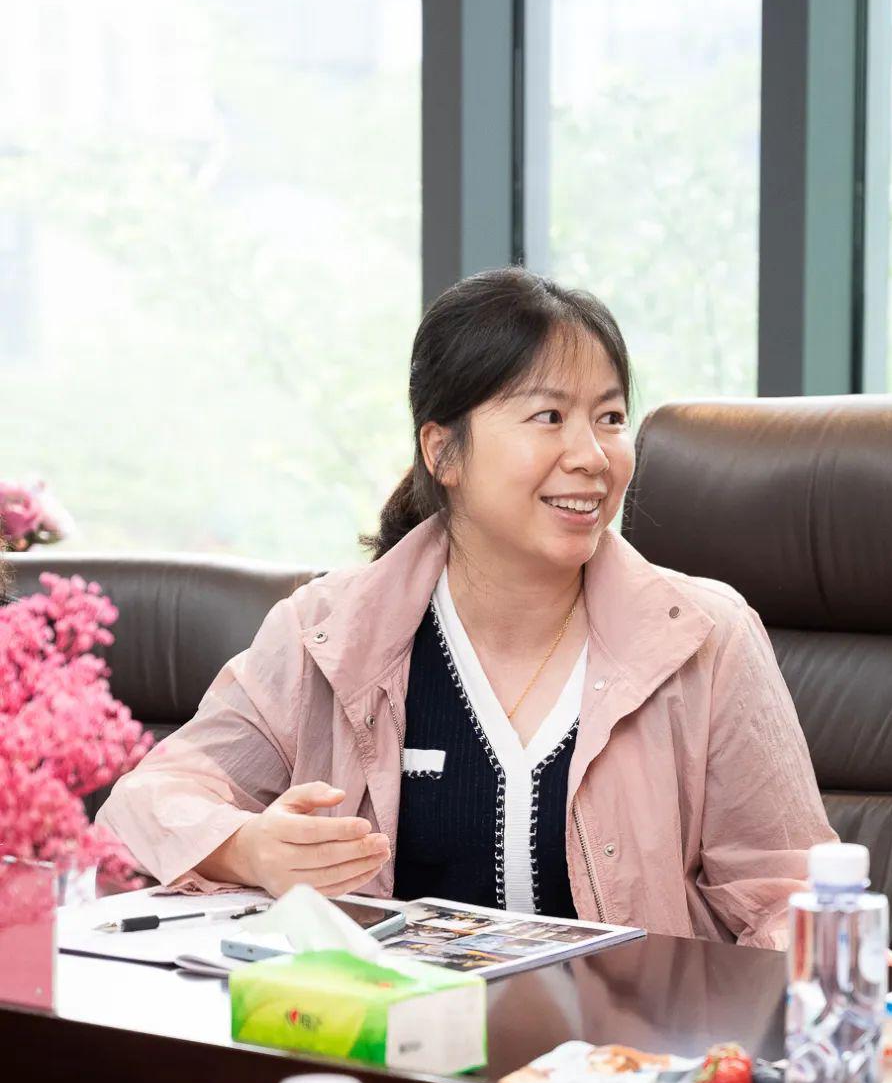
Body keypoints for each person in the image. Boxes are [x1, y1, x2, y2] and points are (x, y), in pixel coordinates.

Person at [99, 268, 836, 946]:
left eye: (610, 417)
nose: (592, 455)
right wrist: (250, 849)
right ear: (443, 452)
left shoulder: (705, 639)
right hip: (395, 1036)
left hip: (627, 1042)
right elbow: (148, 801)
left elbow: (790, 899)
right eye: (548, 416)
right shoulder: (328, 633)